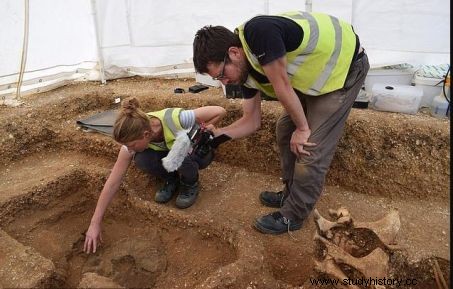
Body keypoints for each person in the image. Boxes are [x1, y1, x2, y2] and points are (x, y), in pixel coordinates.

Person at [193, 11, 370, 234]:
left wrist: (304, 129)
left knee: (309, 147)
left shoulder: (260, 33)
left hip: (344, 69)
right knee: (285, 128)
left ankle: (294, 214)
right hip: (316, 77)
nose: (224, 82)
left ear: (234, 52)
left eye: (221, 74)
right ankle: (290, 194)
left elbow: (283, 86)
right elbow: (251, 120)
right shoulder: (245, 69)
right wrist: (215, 137)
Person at [84, 97, 226, 253]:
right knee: (142, 159)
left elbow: (220, 111)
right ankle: (172, 179)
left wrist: (208, 127)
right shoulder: (134, 134)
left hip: (194, 155)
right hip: (170, 154)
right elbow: (113, 182)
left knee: (180, 152)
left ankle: (189, 183)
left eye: (131, 145)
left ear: (146, 134)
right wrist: (94, 223)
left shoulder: (176, 119)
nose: (129, 149)